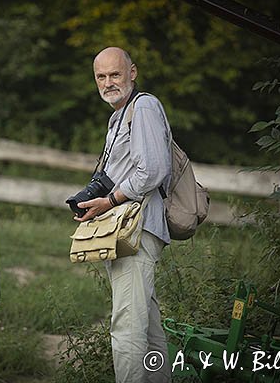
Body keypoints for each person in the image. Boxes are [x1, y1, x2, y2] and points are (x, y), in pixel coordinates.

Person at [75, 47, 172, 382]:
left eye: (115, 74)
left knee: (127, 326)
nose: (108, 82)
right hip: (128, 229)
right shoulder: (118, 116)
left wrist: (110, 199)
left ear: (133, 72)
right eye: (101, 77)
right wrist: (96, 202)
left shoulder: (143, 106)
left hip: (137, 228)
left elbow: (154, 169)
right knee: (148, 328)